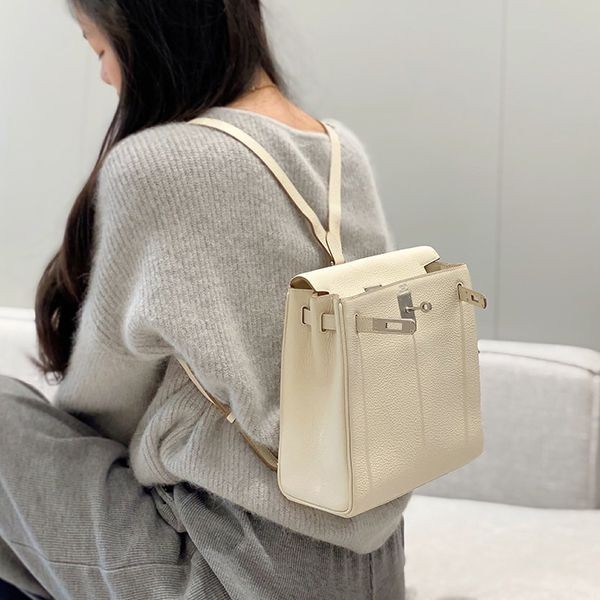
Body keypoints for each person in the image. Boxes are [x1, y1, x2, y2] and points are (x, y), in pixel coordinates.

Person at [0, 1, 410, 598]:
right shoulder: (340, 150)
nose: (105, 75)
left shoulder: (159, 165)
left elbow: (105, 408)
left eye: (99, 48)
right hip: (374, 570)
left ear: (146, 31)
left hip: (236, 574)